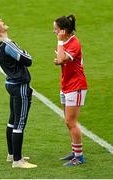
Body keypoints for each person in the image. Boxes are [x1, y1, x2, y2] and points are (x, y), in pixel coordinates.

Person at [0, 19, 37, 168]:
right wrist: (24, 51)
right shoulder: (6, 44)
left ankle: (11, 154)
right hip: (20, 86)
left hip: (11, 84)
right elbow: (28, 60)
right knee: (20, 122)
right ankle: (17, 161)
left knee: (12, 120)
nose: (0, 20)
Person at [53, 15, 88, 166]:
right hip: (66, 85)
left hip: (76, 86)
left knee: (71, 121)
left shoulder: (73, 43)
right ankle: (75, 151)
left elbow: (61, 59)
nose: (53, 31)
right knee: (68, 122)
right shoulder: (64, 42)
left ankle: (79, 157)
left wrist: (60, 43)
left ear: (63, 30)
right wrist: (59, 58)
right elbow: (60, 60)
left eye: (55, 29)